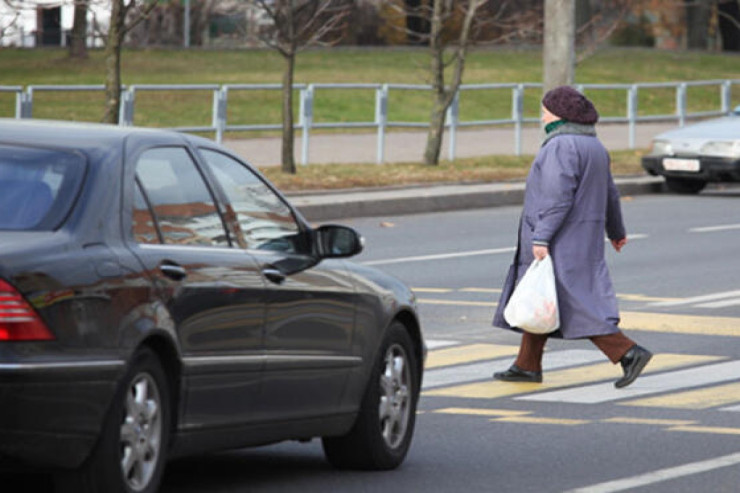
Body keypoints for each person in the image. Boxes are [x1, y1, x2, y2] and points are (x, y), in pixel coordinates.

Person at [492, 85, 652, 389]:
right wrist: (616, 231)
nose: (541, 116)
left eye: (544, 110)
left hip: (560, 238)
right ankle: (526, 365)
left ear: (558, 114)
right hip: (583, 237)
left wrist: (541, 238)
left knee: (570, 301)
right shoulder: (594, 146)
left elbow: (557, 197)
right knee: (542, 297)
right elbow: (610, 193)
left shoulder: (560, 146)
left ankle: (628, 352)